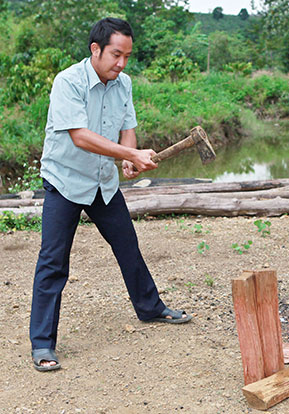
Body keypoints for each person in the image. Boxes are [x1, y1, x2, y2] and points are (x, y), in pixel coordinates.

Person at [30, 17, 192, 372]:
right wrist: (129, 155)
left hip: (103, 182)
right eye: (116, 55)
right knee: (53, 262)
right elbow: (80, 136)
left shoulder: (124, 84)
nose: (121, 63)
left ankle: (150, 308)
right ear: (96, 50)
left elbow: (126, 128)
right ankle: (43, 343)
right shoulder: (68, 82)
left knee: (127, 246)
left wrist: (128, 160)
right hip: (66, 182)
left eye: (126, 56)